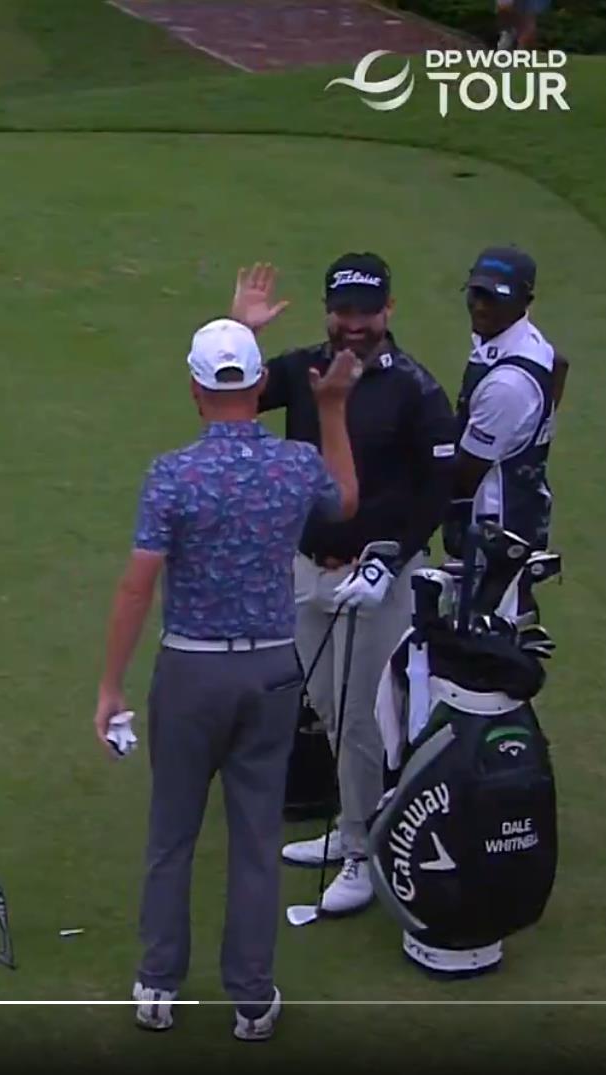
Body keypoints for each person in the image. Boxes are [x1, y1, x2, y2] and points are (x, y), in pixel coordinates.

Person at [92, 317, 361, 1040]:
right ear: (262, 386)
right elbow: (344, 499)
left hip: (189, 672)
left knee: (171, 834)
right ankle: (250, 997)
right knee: (251, 839)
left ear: (192, 387)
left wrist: (110, 686)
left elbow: (135, 588)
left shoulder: (172, 474)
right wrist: (332, 407)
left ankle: (157, 983)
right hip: (272, 668)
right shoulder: (294, 465)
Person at [230, 255, 458, 916]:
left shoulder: (413, 389)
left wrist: (390, 561)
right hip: (308, 568)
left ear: (387, 312)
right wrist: (240, 330)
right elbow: (228, 394)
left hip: (376, 577)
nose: (353, 325)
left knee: (360, 716)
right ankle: (352, 823)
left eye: (366, 312)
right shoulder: (304, 369)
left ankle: (361, 851)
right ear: (328, 311)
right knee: (327, 706)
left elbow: (435, 491)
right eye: (343, 312)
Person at [443, 245, 569, 620]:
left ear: (525, 301)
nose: (480, 307)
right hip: (520, 510)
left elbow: (464, 478)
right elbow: (559, 363)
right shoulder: (515, 339)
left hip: (493, 535)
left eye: (495, 299)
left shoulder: (508, 386)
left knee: (480, 647)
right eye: (476, 294)